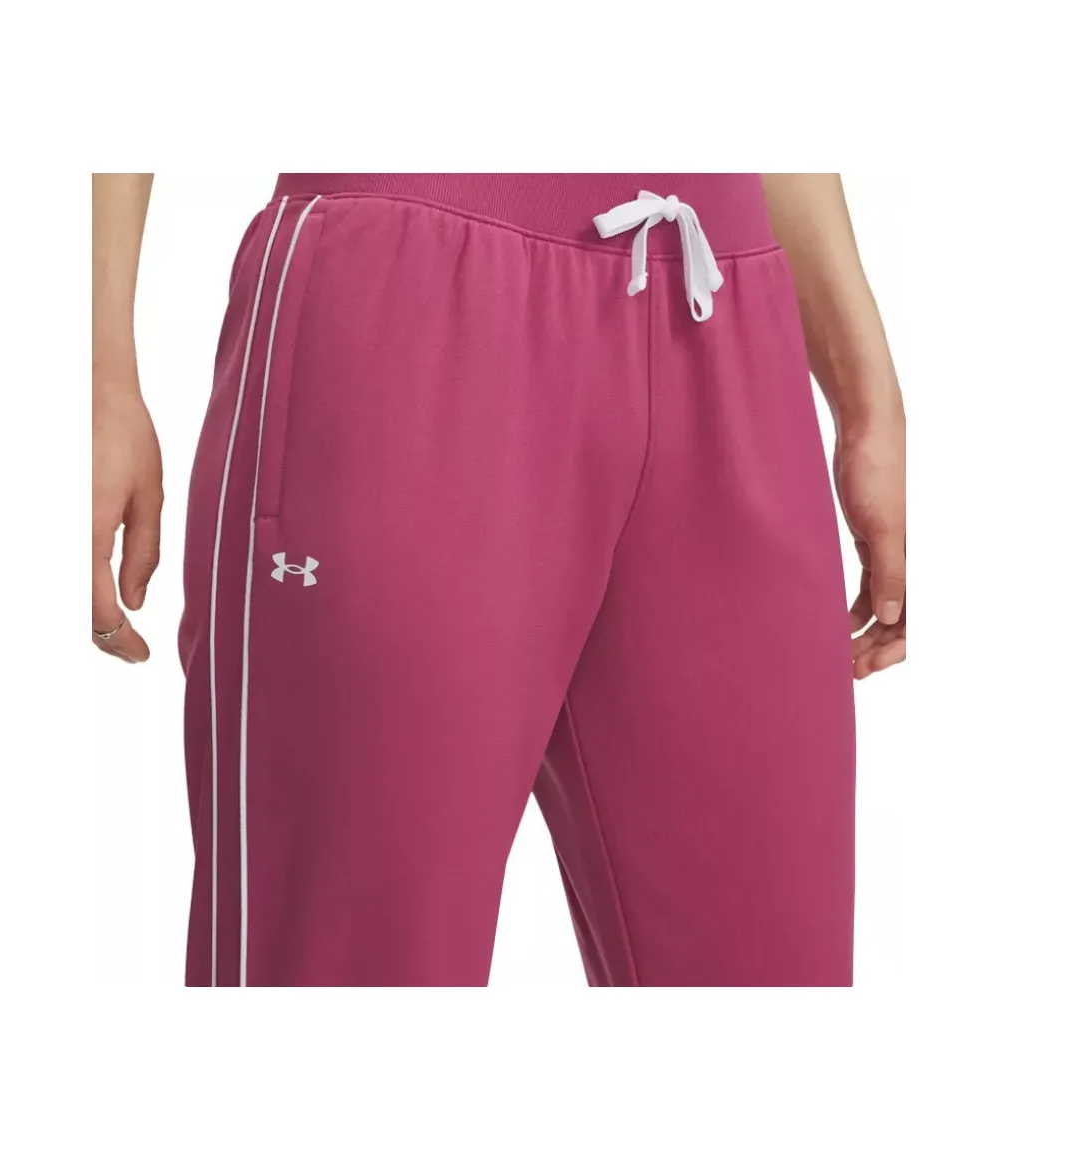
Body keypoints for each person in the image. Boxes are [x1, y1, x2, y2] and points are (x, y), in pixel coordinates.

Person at [92, 174, 905, 987]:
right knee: (351, 970)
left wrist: (869, 404)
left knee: (770, 973)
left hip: (723, 305)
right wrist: (94, 381)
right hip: (413, 296)